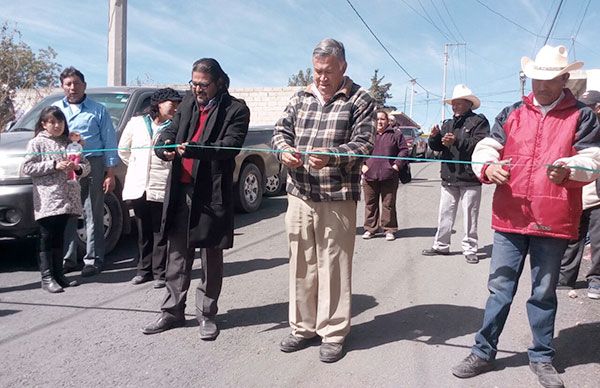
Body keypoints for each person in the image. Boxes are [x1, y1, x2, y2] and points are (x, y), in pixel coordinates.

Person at [451, 45, 600, 388]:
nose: (541, 86)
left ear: (564, 78)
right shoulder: (511, 113)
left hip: (554, 216)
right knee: (499, 289)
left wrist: (572, 169)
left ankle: (542, 356)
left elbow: (592, 158)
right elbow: (487, 148)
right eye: (537, 79)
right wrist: (488, 168)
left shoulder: (582, 115)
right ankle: (483, 351)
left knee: (544, 292)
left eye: (549, 79)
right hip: (510, 216)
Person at [272, 38, 375, 363]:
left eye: (328, 71)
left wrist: (332, 156)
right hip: (299, 194)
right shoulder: (300, 97)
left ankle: (333, 332)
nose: (321, 78)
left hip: (337, 196)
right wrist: (284, 150)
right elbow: (279, 131)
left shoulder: (360, 99)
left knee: (333, 264)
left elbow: (364, 144)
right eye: (317, 71)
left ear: (342, 67)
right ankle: (302, 327)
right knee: (301, 262)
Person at [141, 58, 250, 341]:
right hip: (181, 189)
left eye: (203, 84)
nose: (197, 89)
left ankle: (207, 314)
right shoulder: (188, 103)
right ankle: (172, 312)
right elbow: (169, 130)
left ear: (219, 83)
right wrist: (163, 146)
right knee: (176, 255)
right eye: (194, 83)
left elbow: (230, 147)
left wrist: (195, 149)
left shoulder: (236, 109)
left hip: (211, 193)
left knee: (211, 256)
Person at [53, 67, 118, 277]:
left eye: (76, 83)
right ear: (63, 86)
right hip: (66, 165)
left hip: (93, 162)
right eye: (68, 84)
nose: (73, 88)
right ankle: (68, 258)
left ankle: (94, 259)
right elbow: (47, 136)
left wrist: (110, 172)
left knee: (93, 211)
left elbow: (109, 141)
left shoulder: (98, 110)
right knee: (69, 211)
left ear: (84, 85)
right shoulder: (55, 110)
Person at [118, 88, 182, 289]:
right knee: (142, 230)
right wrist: (138, 165)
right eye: (173, 104)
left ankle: (160, 272)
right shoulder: (136, 123)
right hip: (139, 185)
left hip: (161, 182)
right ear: (159, 104)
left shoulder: (175, 126)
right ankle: (143, 270)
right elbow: (123, 151)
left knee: (160, 230)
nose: (176, 108)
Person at [22, 106, 90, 293]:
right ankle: (47, 277)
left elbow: (85, 166)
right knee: (46, 235)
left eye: (60, 121)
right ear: (44, 124)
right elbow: (28, 167)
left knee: (60, 236)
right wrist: (54, 164)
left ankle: (59, 274)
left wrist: (76, 168)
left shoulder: (70, 142)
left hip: (68, 196)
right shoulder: (37, 143)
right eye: (52, 122)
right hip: (48, 196)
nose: (57, 125)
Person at [422, 84, 490, 264]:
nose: (454, 106)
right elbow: (437, 147)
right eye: (453, 103)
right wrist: (435, 137)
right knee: (445, 213)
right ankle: (441, 245)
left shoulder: (479, 122)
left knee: (470, 215)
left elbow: (480, 145)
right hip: (449, 176)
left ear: (468, 104)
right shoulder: (447, 123)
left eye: (458, 103)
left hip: (470, 177)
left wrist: (457, 140)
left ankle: (470, 249)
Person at [558, 90, 600, 299]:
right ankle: (565, 279)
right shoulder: (578, 129)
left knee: (598, 241)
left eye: (588, 106)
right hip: (576, 194)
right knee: (572, 237)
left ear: (598, 108)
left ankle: (596, 281)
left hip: (597, 198)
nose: (582, 110)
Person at [361, 109, 409, 241]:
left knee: (388, 204)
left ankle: (389, 229)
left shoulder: (396, 134)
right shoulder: (367, 135)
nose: (380, 122)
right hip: (369, 175)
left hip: (390, 175)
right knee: (370, 203)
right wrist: (362, 166)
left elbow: (404, 150)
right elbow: (358, 150)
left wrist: (396, 165)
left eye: (382, 119)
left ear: (387, 121)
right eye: (377, 119)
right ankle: (370, 229)